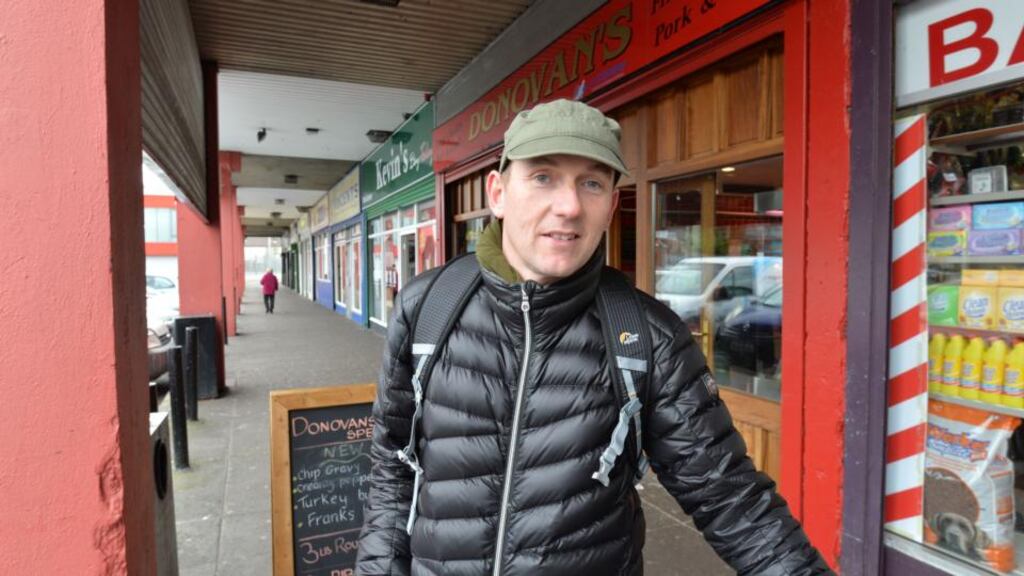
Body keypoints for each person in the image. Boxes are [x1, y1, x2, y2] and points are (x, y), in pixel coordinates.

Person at [356, 100, 832, 575]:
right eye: (543, 177)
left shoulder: (648, 337)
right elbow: (392, 469)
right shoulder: (429, 310)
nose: (569, 207)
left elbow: (732, 499)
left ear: (611, 206)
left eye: (592, 183)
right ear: (498, 193)